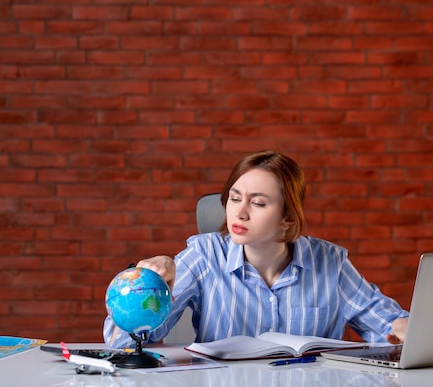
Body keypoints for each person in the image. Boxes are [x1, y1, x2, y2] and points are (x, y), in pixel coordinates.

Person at [103, 150, 409, 349]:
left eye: (258, 203)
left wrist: (405, 329)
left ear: (287, 218)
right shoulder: (204, 256)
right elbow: (124, 345)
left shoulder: (329, 262)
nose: (240, 212)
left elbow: (385, 323)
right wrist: (152, 287)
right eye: (235, 199)